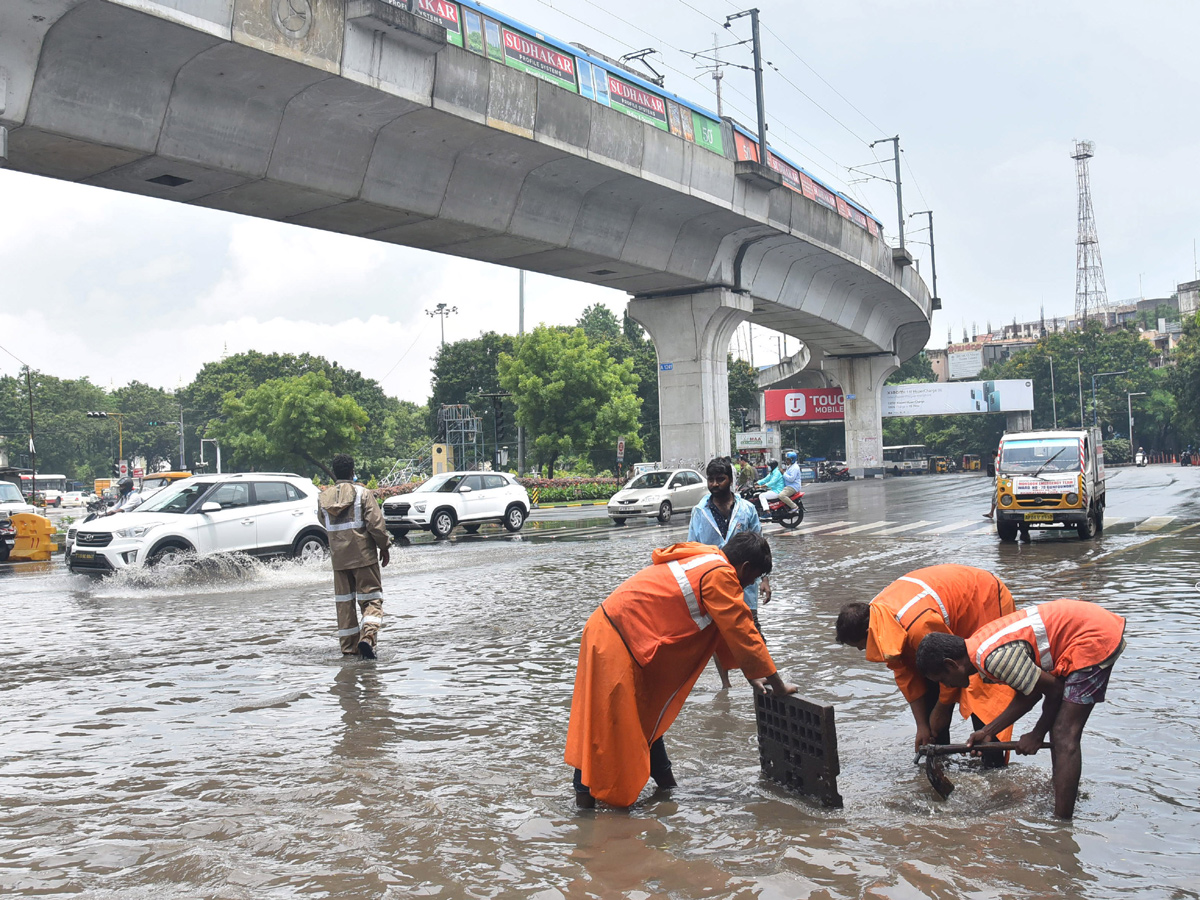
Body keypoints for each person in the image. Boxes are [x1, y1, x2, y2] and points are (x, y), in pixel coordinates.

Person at [565, 533, 797, 808]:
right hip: (616, 639)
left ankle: (667, 790)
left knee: (645, 716)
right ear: (745, 567)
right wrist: (777, 684)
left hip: (615, 632)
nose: (748, 585)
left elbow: (724, 628)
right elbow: (742, 630)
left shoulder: (705, 557)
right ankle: (585, 804)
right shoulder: (721, 574)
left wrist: (752, 674)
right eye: (753, 578)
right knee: (606, 724)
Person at [915, 598, 1126, 819]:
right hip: (1086, 626)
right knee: (1059, 729)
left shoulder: (994, 659)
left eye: (943, 679)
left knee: (1064, 733)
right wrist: (987, 732)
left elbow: (1054, 691)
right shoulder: (978, 648)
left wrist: (1036, 734)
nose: (947, 686)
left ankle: (1061, 825)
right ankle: (1062, 792)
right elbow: (1030, 694)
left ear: (951, 664)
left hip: (1093, 636)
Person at [835, 565, 1017, 759]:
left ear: (867, 634)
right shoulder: (879, 622)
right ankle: (938, 760)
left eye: (859, 645)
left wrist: (942, 709)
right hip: (943, 613)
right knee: (930, 682)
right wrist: (922, 726)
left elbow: (952, 670)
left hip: (982, 597)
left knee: (982, 684)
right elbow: (907, 676)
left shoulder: (920, 626)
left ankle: (993, 767)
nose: (862, 651)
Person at [688, 458, 773, 688]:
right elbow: (692, 547)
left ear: (730, 480)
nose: (715, 484)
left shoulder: (746, 510)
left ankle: (762, 674)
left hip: (746, 583)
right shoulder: (699, 511)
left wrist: (765, 579)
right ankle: (725, 683)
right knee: (718, 634)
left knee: (751, 627)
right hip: (713, 583)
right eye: (711, 480)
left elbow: (761, 544)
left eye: (720, 479)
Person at [318, 454, 390, 659]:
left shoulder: (323, 498)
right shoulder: (362, 494)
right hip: (364, 557)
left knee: (344, 606)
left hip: (338, 561)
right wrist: (384, 547)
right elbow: (375, 525)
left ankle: (349, 651)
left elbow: (324, 522)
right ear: (352, 472)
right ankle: (367, 638)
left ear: (334, 473)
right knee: (372, 600)